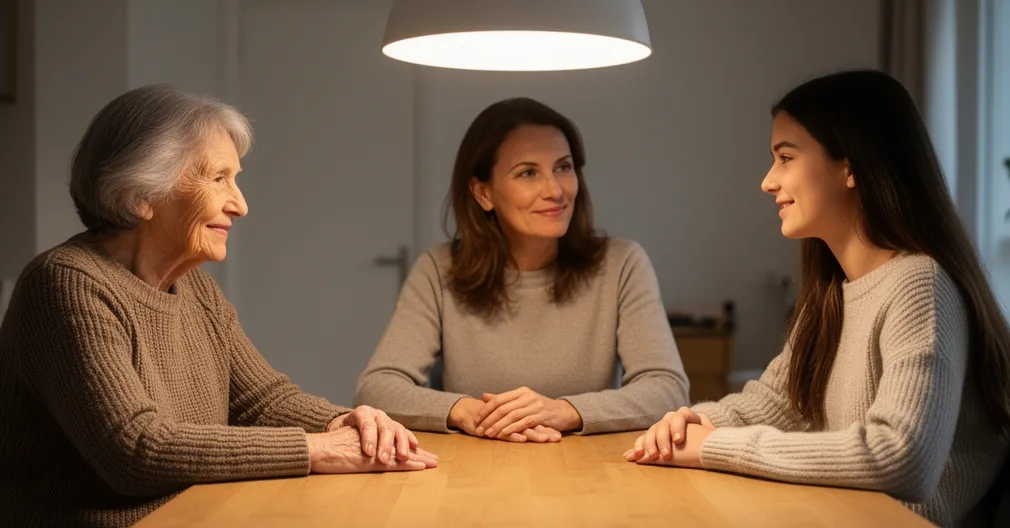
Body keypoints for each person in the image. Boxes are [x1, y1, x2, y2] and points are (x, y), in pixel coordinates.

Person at [0, 85, 437, 527]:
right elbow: (135, 450)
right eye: (218, 178)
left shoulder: (195, 289)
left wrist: (347, 422)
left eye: (236, 178)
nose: (241, 205)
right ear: (140, 195)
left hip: (195, 515)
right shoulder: (66, 284)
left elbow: (262, 401)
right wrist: (315, 449)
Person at [624, 70, 1010, 527]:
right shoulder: (831, 296)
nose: (768, 182)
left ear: (851, 166)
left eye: (785, 157)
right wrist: (687, 424)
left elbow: (901, 456)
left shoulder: (919, 285)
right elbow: (776, 403)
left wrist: (714, 447)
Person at [355, 97, 689, 442]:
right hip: (473, 470)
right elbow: (377, 388)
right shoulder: (438, 269)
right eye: (528, 173)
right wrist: (469, 412)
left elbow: (668, 389)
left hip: (590, 470)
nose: (555, 190)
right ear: (483, 192)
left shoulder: (622, 264)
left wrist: (563, 411)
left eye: (563, 167)